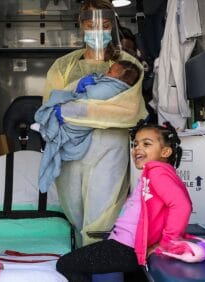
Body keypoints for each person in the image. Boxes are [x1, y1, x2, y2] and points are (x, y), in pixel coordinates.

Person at [43, 0, 148, 247]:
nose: (97, 30)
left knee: (103, 221)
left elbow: (128, 110)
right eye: (90, 24)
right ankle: (82, 266)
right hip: (71, 150)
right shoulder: (64, 66)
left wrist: (72, 108)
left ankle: (104, 269)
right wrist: (92, 110)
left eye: (104, 24)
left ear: (112, 26)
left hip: (110, 149)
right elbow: (50, 107)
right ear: (81, 26)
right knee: (78, 217)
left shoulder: (127, 64)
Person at [55, 121, 192, 281]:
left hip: (126, 248)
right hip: (125, 244)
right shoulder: (156, 173)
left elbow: (182, 205)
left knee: (66, 264)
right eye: (135, 144)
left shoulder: (158, 173)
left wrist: (166, 243)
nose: (137, 148)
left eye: (146, 144)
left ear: (165, 152)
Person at [35, 60, 141, 193]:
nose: (105, 73)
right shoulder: (115, 87)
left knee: (64, 124)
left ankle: (49, 128)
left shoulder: (114, 89)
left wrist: (87, 88)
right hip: (88, 128)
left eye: (109, 71)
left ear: (119, 78)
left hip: (97, 137)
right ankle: (49, 127)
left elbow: (94, 97)